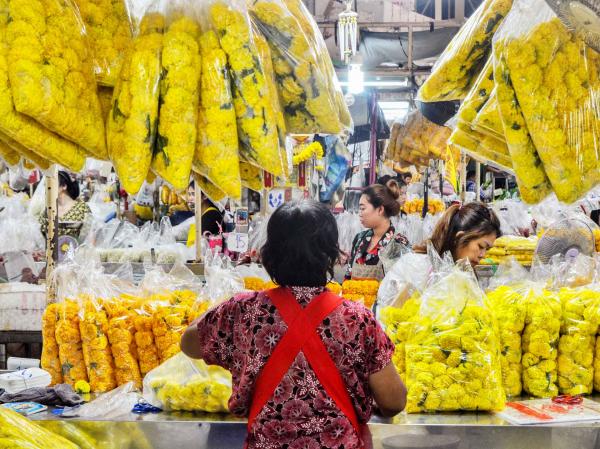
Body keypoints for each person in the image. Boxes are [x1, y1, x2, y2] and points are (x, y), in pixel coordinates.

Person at [181, 200, 406, 449]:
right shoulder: (357, 319)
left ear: (270, 252)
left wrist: (221, 303)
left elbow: (189, 343)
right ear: (331, 254)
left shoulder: (244, 310)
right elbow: (394, 401)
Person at [380, 202, 501, 305]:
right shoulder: (416, 266)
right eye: (481, 246)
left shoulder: (463, 276)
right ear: (459, 238)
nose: (483, 255)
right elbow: (389, 315)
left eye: (487, 250)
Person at [346, 182, 410, 281]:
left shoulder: (399, 243)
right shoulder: (359, 239)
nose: (360, 213)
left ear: (380, 209)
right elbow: (348, 276)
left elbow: (403, 286)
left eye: (363, 208)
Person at [40, 171, 91, 241]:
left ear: (64, 186)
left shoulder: (82, 208)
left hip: (76, 251)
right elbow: (41, 237)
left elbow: (90, 237)